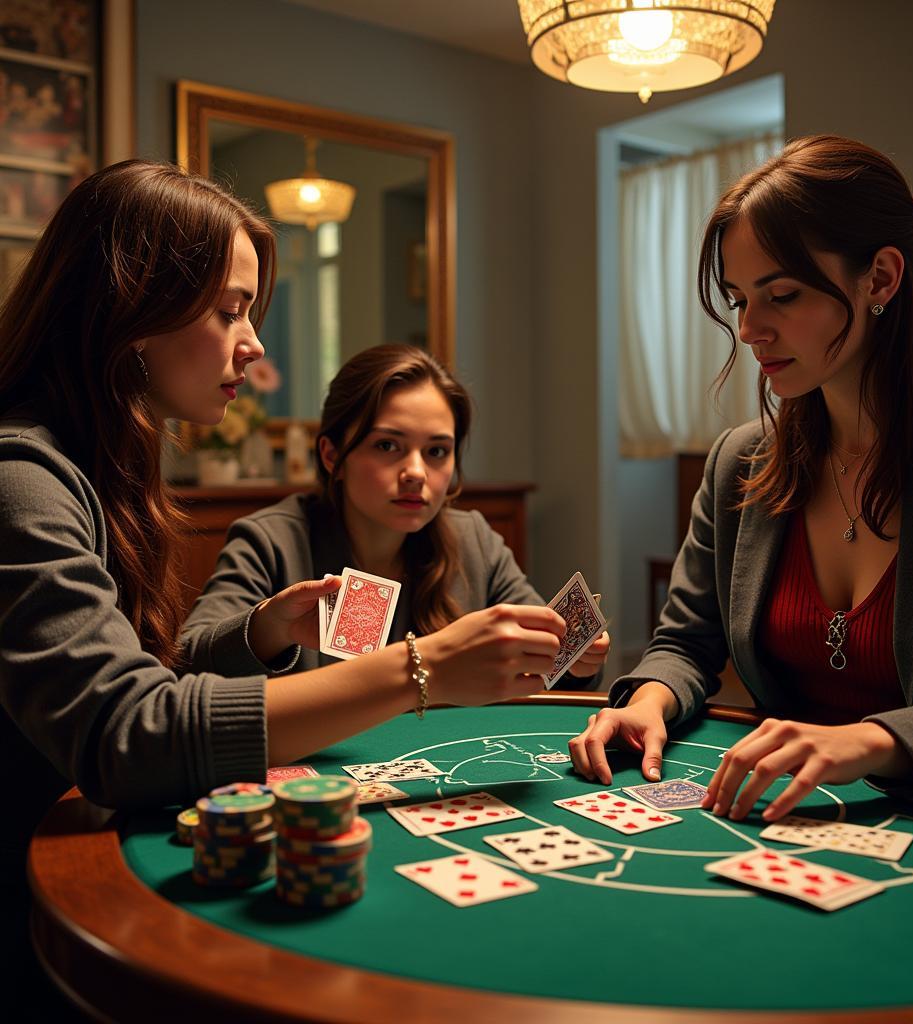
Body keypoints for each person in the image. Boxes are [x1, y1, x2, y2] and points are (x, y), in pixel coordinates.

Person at [0, 161, 568, 995]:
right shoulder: (22, 481)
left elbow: (153, 687)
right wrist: (420, 669)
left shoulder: (98, 473)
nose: (256, 342)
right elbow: (126, 735)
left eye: (438, 453)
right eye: (230, 309)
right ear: (131, 304)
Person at [569, 135, 913, 822]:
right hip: (776, 819)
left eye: (781, 295)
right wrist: (648, 701)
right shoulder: (738, 461)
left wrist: (869, 742)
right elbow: (685, 644)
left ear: (881, 279)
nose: (750, 329)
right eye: (738, 299)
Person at [179, 344, 609, 688]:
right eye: (388, 446)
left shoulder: (475, 540)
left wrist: (578, 662)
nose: (416, 473)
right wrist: (270, 628)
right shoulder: (270, 541)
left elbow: (549, 670)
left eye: (437, 451)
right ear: (333, 456)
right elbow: (189, 663)